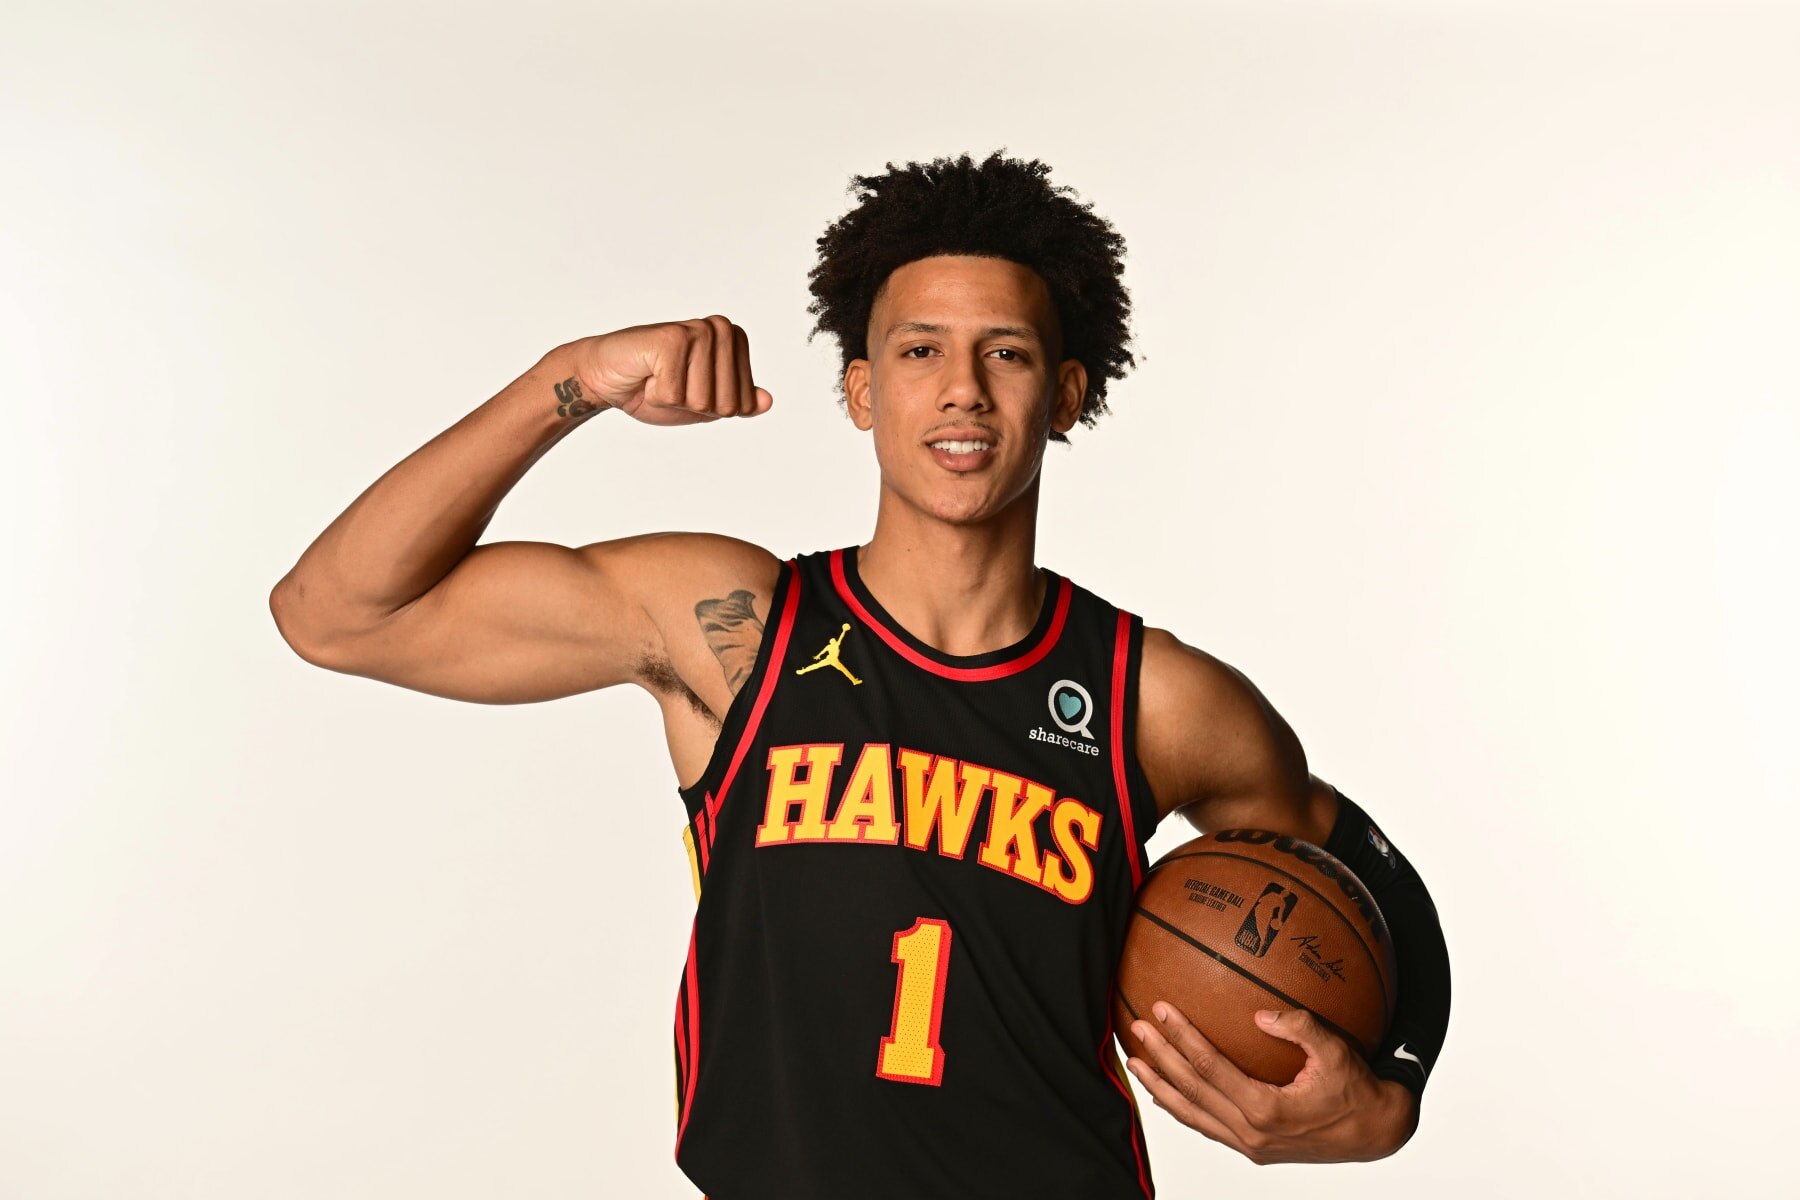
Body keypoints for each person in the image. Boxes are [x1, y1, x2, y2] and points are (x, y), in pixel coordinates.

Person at [270, 150, 1451, 1199]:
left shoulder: (1154, 698)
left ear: (1069, 396)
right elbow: (336, 613)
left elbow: (1371, 888)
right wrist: (566, 379)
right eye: (918, 350)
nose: (962, 390)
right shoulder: (730, 631)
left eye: (1009, 354)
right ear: (862, 390)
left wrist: (1383, 1103)